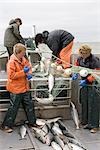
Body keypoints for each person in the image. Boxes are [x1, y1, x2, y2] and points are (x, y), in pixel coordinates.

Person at [1, 43, 37, 133]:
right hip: (15, 89)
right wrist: (23, 72)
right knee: (13, 107)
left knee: (29, 105)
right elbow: (11, 76)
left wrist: (29, 73)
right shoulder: (11, 62)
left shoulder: (23, 59)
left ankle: (32, 122)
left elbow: (29, 66)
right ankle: (6, 125)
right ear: (18, 53)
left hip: (25, 87)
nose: (24, 54)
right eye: (23, 53)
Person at [72, 44, 100, 133]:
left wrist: (87, 81)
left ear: (88, 52)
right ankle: (85, 122)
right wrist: (74, 73)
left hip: (93, 85)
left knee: (94, 105)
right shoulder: (80, 59)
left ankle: (95, 126)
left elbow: (97, 73)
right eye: (81, 53)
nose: (82, 55)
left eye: (84, 53)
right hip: (84, 85)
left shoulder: (94, 60)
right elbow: (76, 67)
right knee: (84, 102)